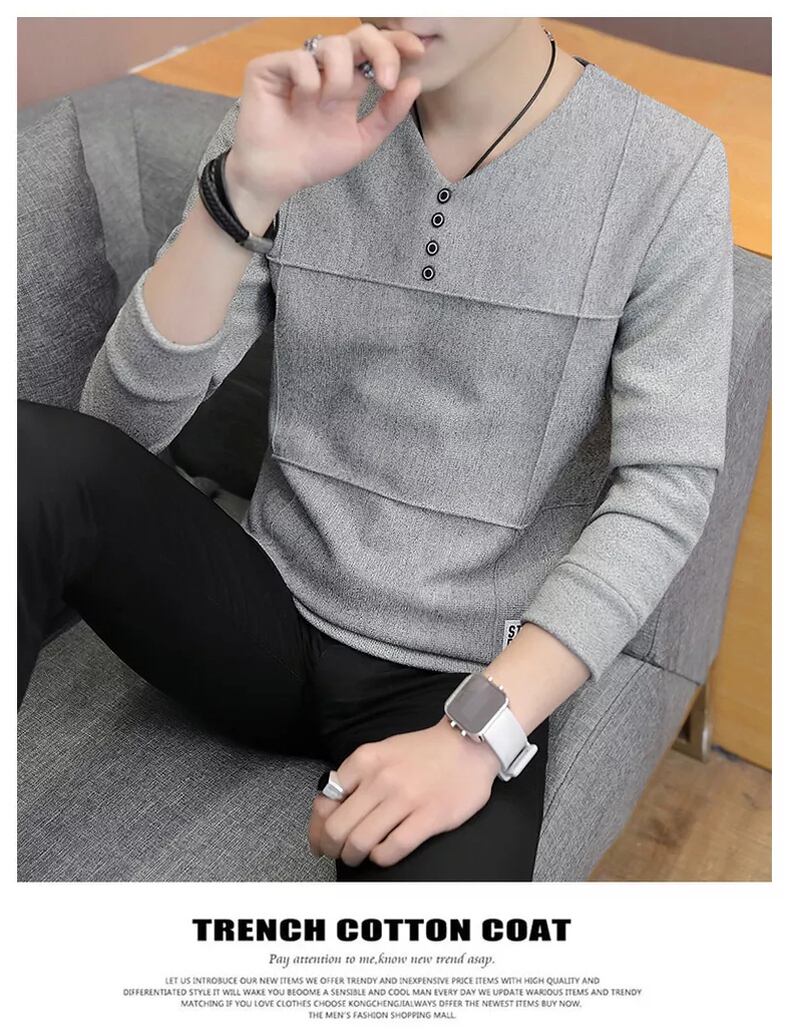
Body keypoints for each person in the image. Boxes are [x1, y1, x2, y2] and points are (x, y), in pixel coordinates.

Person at [17, 17, 733, 881]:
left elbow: (664, 491)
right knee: (31, 456)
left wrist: (475, 736)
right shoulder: (298, 112)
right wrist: (240, 193)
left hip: (456, 678)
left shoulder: (668, 170)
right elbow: (118, 432)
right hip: (261, 614)